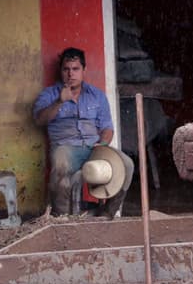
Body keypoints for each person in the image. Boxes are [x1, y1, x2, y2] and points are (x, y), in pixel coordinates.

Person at [33, 46, 134, 217]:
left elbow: (107, 128)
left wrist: (102, 144)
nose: (70, 74)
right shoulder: (50, 94)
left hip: (93, 148)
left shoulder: (97, 95)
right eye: (66, 69)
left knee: (127, 165)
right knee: (60, 166)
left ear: (84, 70)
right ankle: (63, 220)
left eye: (75, 69)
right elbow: (39, 119)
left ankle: (107, 214)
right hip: (66, 148)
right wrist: (59, 101)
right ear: (61, 71)